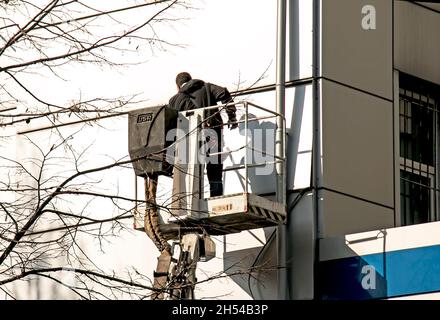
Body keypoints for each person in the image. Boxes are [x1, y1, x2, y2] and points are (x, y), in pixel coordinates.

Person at [168, 72, 238, 197]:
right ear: (191, 79)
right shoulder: (206, 87)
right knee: (215, 167)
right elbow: (225, 94)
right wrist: (232, 116)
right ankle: (215, 196)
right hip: (213, 132)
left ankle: (191, 198)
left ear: (178, 86)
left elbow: (170, 122)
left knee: (192, 168)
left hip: (190, 137)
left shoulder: (174, 100)